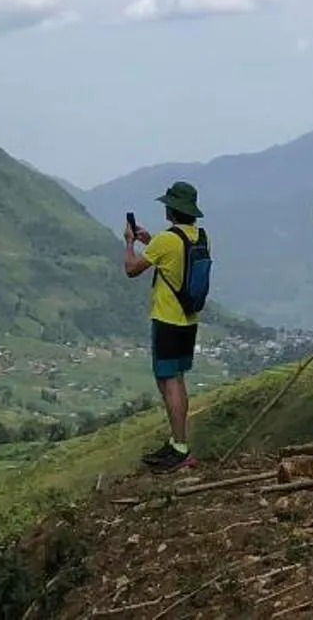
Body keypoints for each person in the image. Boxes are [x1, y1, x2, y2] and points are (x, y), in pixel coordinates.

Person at [122, 179, 208, 472]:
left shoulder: (166, 239)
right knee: (179, 379)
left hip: (167, 320)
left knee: (167, 382)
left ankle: (181, 449)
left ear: (172, 209)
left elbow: (132, 270)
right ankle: (178, 443)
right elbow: (175, 259)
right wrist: (150, 242)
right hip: (189, 319)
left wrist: (130, 242)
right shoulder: (200, 236)